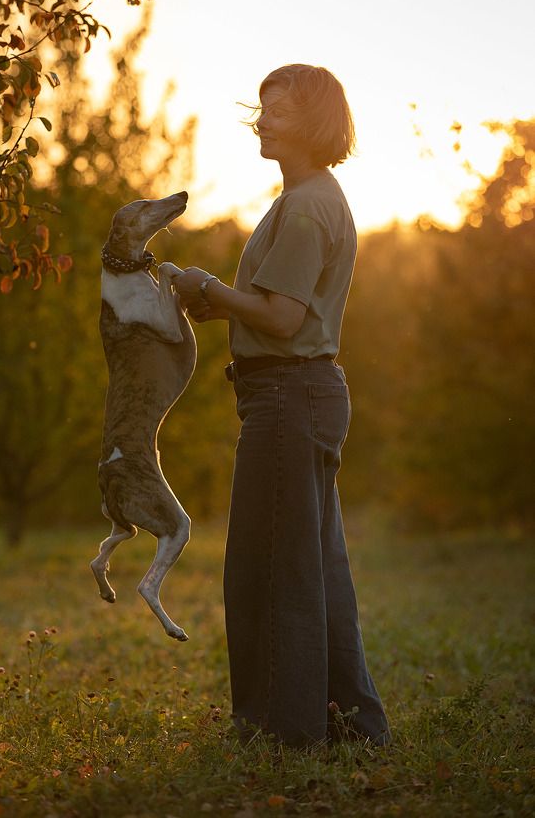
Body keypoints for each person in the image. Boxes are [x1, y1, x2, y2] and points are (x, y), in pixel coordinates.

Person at [173, 64, 391, 748]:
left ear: (315, 123)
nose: (262, 120)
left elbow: (284, 316)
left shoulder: (304, 205)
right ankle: (351, 726)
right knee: (313, 569)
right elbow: (276, 312)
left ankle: (281, 735)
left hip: (288, 399)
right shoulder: (311, 196)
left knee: (267, 569)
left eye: (278, 112)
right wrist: (220, 309)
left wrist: (207, 285)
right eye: (262, 109)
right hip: (301, 394)